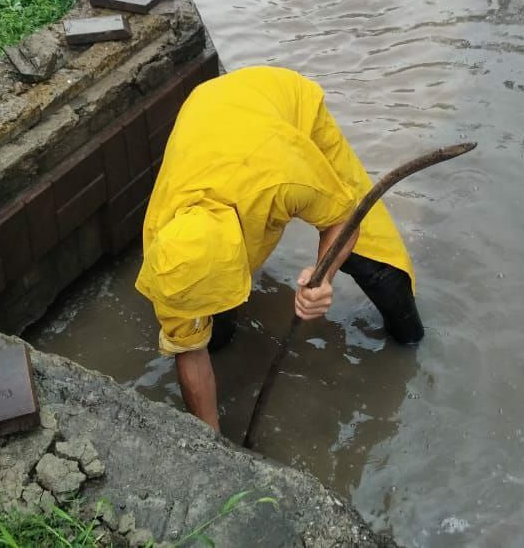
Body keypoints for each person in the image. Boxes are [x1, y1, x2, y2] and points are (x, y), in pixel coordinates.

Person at [134, 65, 424, 430]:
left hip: (284, 107)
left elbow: (342, 219)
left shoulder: (283, 177)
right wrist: (210, 441)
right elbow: (188, 350)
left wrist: (322, 278)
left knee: (376, 265)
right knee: (210, 336)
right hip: (206, 111)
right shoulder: (165, 250)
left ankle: (410, 336)